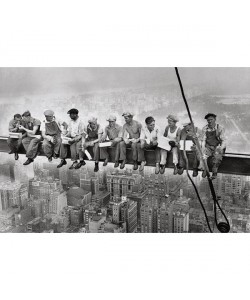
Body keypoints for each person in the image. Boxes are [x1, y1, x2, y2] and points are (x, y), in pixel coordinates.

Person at [200, 113, 226, 179]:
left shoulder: (220, 128)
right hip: (208, 146)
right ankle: (205, 170)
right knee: (203, 155)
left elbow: (224, 140)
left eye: (211, 119)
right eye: (208, 120)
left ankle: (214, 173)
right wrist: (203, 148)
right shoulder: (205, 128)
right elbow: (203, 140)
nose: (210, 121)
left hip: (218, 146)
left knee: (217, 157)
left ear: (215, 119)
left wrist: (221, 148)